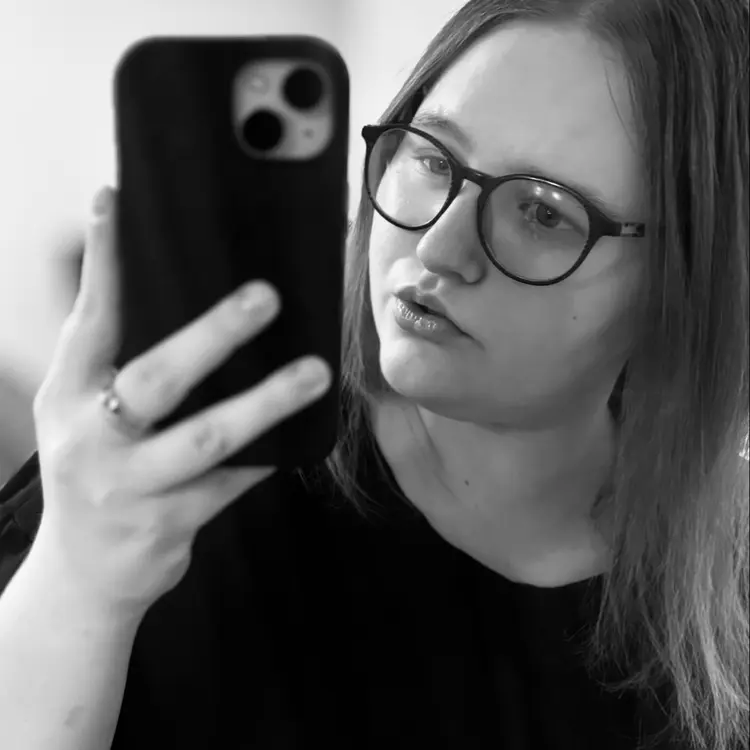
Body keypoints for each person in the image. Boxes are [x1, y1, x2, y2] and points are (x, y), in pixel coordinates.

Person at [0, 0, 747, 748]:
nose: (439, 248)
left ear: (686, 283)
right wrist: (78, 586)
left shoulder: (724, 588)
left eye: (545, 213)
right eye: (434, 159)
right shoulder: (176, 477)